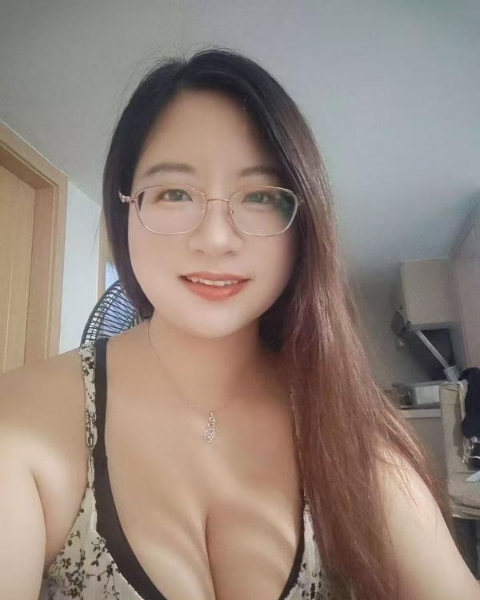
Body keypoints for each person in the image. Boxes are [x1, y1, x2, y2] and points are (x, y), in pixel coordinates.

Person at [1, 47, 479, 600]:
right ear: (125, 208)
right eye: (174, 193)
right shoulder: (26, 422)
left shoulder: (348, 429)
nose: (215, 238)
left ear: (303, 225)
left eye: (259, 196)